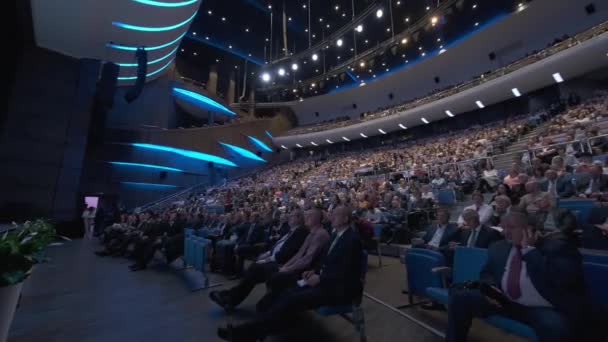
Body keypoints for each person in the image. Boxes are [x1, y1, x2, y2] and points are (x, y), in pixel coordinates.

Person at [216, 205, 363, 341]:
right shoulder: (336, 236)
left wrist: (320, 278)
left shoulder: (352, 240)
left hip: (337, 290)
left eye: (336, 215)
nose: (332, 217)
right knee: (287, 294)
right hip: (325, 283)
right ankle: (260, 329)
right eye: (332, 214)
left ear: (345, 219)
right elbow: (324, 262)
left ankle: (245, 333)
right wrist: (313, 271)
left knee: (291, 299)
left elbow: (346, 274)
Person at [445, 211, 595, 342]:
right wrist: (492, 289)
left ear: (528, 229)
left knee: (556, 327)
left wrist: (529, 251)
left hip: (539, 308)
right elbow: (487, 273)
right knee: (460, 297)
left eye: (511, 227)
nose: (505, 232)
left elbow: (563, 280)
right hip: (503, 301)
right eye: (504, 228)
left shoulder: (559, 248)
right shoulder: (498, 247)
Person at [208, 209, 309, 309]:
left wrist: (268, 258)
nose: (289, 218)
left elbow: (287, 252)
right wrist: (268, 254)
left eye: (292, 216)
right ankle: (230, 297)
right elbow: (278, 246)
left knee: (255, 268)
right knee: (254, 268)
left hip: (283, 264)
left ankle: (230, 298)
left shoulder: (301, 231)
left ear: (299, 218)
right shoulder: (292, 231)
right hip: (275, 258)